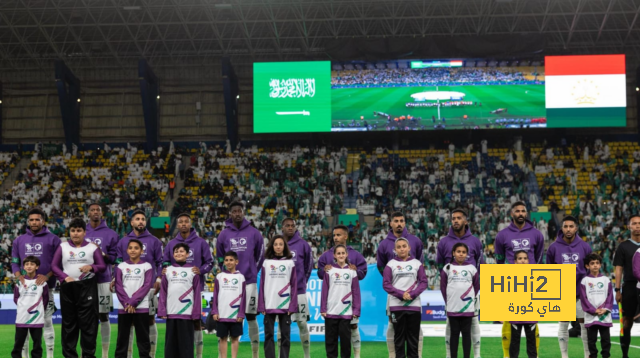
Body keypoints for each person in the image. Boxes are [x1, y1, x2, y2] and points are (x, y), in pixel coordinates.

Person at [494, 202, 544, 358]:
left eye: (523, 211)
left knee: (532, 321)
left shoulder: (537, 234)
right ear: (511, 214)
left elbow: (539, 259)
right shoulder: (502, 235)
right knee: (511, 322)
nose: (521, 213)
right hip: (511, 285)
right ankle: (508, 356)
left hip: (531, 285)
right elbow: (499, 261)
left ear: (526, 213)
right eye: (517, 211)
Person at [51, 217, 106, 358]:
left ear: (84, 232)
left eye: (79, 231)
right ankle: (70, 356)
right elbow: (54, 266)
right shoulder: (63, 246)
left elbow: (102, 266)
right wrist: (64, 277)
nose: (75, 233)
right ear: (69, 232)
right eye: (73, 230)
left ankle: (88, 355)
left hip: (87, 286)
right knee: (69, 325)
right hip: (68, 287)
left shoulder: (92, 247)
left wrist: (91, 267)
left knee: (89, 325)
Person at [216, 201, 265, 358]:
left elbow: (261, 255)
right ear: (230, 214)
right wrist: (228, 274)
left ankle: (255, 354)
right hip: (228, 283)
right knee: (226, 318)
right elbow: (219, 256)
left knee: (251, 316)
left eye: (239, 211)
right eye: (234, 211)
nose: (237, 213)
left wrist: (251, 272)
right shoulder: (223, 234)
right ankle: (223, 355)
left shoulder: (254, 233)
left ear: (244, 213)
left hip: (249, 282)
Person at [162, 213, 213, 358]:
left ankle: (198, 355)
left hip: (195, 290)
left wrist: (201, 270)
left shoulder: (201, 242)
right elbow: (165, 261)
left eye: (186, 222)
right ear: (177, 225)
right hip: (175, 291)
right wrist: (165, 270)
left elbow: (209, 262)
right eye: (181, 222)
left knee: (196, 323)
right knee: (175, 328)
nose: (183, 224)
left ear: (190, 224)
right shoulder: (171, 243)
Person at [11, 208, 60, 358]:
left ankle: (49, 355)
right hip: (25, 288)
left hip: (46, 288)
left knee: (47, 320)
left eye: (37, 219)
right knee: (24, 322)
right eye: (31, 220)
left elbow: (58, 263)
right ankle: (24, 356)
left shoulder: (53, 239)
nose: (34, 222)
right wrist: (19, 276)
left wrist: (47, 276)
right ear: (28, 221)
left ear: (43, 221)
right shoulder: (19, 240)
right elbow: (14, 262)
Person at [115, 209, 164, 358]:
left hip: (148, 288)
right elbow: (118, 261)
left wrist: (159, 279)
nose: (140, 221)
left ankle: (151, 355)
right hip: (127, 287)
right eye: (137, 219)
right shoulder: (123, 241)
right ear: (132, 222)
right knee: (126, 325)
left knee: (149, 319)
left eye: (143, 219)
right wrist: (114, 279)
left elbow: (160, 262)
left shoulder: (154, 240)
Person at [436, 208, 484, 358]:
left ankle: (476, 355)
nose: (455, 220)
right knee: (451, 326)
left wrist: (474, 293)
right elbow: (439, 267)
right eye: (453, 218)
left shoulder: (475, 241)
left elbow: (480, 266)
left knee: (474, 323)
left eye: (459, 218)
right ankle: (449, 355)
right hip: (452, 293)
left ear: (465, 221)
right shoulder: (443, 242)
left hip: (471, 292)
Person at [376, 212, 424, 358]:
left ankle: (418, 355)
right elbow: (381, 267)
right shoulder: (384, 244)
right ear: (390, 223)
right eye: (395, 221)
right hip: (394, 295)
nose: (398, 223)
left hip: (413, 294)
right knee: (392, 325)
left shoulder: (415, 241)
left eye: (401, 221)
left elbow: (419, 264)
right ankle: (393, 355)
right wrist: (394, 286)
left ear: (405, 223)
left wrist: (412, 291)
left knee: (415, 329)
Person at [318, 225, 368, 358]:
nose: (335, 238)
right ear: (334, 255)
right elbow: (320, 274)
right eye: (334, 235)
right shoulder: (326, 256)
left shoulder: (356, 255)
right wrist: (324, 270)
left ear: (345, 236)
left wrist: (355, 270)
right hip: (332, 307)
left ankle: (357, 355)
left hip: (348, 306)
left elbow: (363, 273)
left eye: (338, 235)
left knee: (350, 334)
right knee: (331, 340)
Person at [546, 215, 592, 358]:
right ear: (562, 228)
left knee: (584, 325)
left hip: (581, 292)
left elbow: (591, 269)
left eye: (571, 226)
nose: (568, 229)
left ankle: (587, 355)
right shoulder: (553, 247)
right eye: (565, 226)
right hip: (563, 292)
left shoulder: (585, 246)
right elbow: (549, 271)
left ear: (576, 228)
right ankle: (564, 356)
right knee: (563, 324)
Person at [383, 237, 428, 358]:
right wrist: (401, 294)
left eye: (404, 246)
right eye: (399, 247)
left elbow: (423, 282)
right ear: (395, 250)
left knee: (413, 340)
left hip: (414, 306)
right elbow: (386, 284)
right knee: (399, 340)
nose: (402, 249)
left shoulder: (417, 264)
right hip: (396, 306)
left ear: (409, 248)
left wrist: (412, 294)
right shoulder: (390, 264)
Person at [85, 203, 119, 358]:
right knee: (85, 317)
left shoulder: (111, 233)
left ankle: (105, 354)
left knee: (104, 315)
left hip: (103, 279)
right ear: (88, 213)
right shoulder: (81, 230)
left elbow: (114, 258)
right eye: (92, 210)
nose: (95, 212)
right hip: (83, 280)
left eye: (98, 209)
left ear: (102, 213)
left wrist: (101, 254)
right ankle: (87, 353)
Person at [158, 243, 201, 358]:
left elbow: (197, 293)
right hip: (172, 313)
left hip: (187, 314)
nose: (178, 253)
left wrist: (196, 313)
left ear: (187, 254)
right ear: (173, 254)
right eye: (176, 251)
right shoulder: (167, 271)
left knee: (186, 347)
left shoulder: (194, 271)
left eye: (182, 251)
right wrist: (162, 310)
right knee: (170, 347)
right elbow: (163, 291)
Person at [258, 235, 297, 358]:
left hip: (285, 305)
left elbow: (294, 285)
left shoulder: (290, 263)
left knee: (285, 336)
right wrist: (261, 304)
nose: (278, 247)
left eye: (281, 244)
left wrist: (292, 305)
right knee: (269, 335)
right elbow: (262, 284)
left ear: (284, 246)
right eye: (276, 244)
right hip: (269, 304)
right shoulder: (266, 263)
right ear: (272, 247)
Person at [114, 239, 153, 358]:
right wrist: (127, 303)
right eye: (130, 248)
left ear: (141, 251)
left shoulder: (147, 266)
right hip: (124, 307)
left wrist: (133, 302)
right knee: (122, 338)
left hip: (141, 306)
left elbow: (146, 286)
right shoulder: (121, 266)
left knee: (143, 339)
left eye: (136, 248)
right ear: (127, 250)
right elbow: (118, 286)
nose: (133, 250)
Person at [321, 244, 361, 358]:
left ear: (347, 254)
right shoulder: (329, 271)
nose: (341, 255)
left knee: (345, 344)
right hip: (331, 312)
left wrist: (356, 310)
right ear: (334, 255)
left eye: (343, 253)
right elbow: (324, 291)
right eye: (338, 253)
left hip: (346, 313)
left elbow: (356, 292)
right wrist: (323, 308)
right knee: (330, 343)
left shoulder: (352, 271)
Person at [281, 218, 313, 358]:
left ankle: (307, 355)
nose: (290, 228)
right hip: (280, 293)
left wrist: (301, 282)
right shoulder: (277, 244)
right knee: (281, 326)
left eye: (292, 226)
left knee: (302, 323)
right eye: (287, 225)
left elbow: (309, 266)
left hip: (299, 291)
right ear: (282, 227)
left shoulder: (303, 244)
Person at [440, 243, 479, 358]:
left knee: (467, 334)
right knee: (454, 334)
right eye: (458, 251)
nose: (461, 254)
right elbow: (443, 287)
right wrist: (449, 301)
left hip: (467, 307)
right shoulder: (448, 268)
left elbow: (476, 286)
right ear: (453, 253)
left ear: (467, 254)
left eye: (463, 252)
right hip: (453, 307)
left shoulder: (472, 268)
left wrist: (469, 300)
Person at [11, 256, 49, 358]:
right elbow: (16, 298)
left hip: (37, 317)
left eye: (32, 264)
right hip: (22, 317)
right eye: (27, 264)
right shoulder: (20, 281)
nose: (29, 266)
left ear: (37, 267)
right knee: (18, 342)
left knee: (37, 344)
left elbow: (45, 299)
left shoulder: (42, 282)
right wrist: (23, 307)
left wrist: (39, 309)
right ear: (23, 267)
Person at [614, 214, 640, 358]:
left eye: (639, 223)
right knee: (627, 322)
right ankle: (625, 355)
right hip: (629, 287)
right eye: (634, 223)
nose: (637, 226)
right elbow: (619, 269)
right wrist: (617, 290)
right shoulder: (623, 246)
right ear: (629, 226)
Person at [212, 252, 246, 358]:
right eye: (226, 260)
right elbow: (215, 295)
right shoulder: (219, 276)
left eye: (231, 260)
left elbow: (244, 297)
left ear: (236, 262)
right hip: (222, 314)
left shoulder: (241, 277)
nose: (229, 262)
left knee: (235, 338)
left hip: (236, 315)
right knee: (222, 338)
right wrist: (215, 311)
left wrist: (241, 314)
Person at [580, 253, 613, 358]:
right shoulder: (584, 281)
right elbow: (583, 298)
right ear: (587, 266)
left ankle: (606, 356)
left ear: (600, 265)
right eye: (592, 263)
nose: (595, 265)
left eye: (597, 263)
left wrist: (605, 309)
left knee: (606, 340)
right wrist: (593, 310)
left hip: (604, 315)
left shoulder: (606, 279)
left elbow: (610, 296)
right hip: (591, 315)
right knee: (591, 340)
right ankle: (593, 356)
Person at [507, 251, 538, 358]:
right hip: (515, 313)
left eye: (525, 258)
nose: (523, 261)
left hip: (530, 313)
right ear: (515, 261)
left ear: (528, 261)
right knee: (514, 342)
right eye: (520, 259)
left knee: (531, 342)